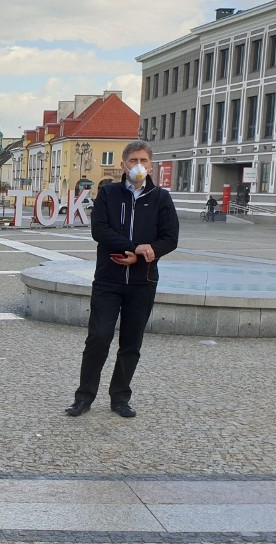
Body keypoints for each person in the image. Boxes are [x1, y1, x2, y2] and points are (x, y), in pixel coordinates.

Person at [65, 140, 179, 419]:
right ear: (123, 165)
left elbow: (170, 238)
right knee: (99, 337)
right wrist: (132, 247)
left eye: (143, 160)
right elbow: (100, 231)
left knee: (131, 343)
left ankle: (120, 397)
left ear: (151, 165)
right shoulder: (109, 194)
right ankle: (84, 396)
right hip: (109, 279)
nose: (138, 165)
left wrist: (141, 255)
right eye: (132, 160)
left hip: (143, 281)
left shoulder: (161, 197)